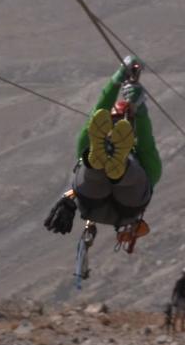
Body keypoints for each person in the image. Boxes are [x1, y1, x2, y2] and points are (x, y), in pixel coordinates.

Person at [44, 55, 160, 235]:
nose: (115, 127)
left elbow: (96, 117)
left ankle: (105, 164)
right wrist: (140, 110)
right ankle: (117, 167)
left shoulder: (92, 139)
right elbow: (146, 142)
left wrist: (115, 82)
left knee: (91, 166)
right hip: (129, 206)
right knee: (131, 172)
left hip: (91, 202)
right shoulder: (146, 160)